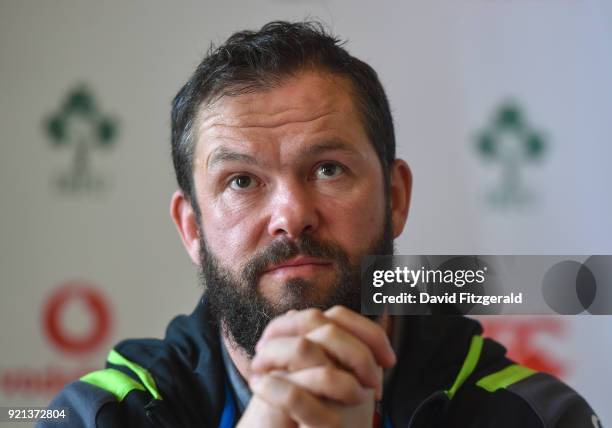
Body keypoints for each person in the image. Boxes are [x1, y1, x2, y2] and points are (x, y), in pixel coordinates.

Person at [41, 21, 600, 428]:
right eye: (241, 181)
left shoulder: (535, 416)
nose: (291, 215)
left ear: (396, 196)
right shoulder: (98, 417)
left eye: (328, 169)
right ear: (192, 228)